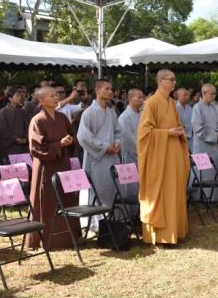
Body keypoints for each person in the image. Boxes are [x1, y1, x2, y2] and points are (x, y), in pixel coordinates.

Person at [137, 69, 190, 245]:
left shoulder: (171, 103)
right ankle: (161, 235)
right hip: (159, 157)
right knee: (162, 193)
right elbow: (144, 133)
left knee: (174, 191)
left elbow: (177, 124)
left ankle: (175, 231)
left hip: (173, 154)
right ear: (161, 81)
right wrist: (166, 133)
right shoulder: (151, 103)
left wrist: (179, 130)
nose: (175, 83)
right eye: (172, 79)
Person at [26, 86, 79, 250]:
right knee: (47, 201)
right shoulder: (38, 120)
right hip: (46, 167)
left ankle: (67, 237)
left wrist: (70, 141)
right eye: (51, 96)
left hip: (62, 163)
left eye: (56, 95)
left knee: (65, 198)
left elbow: (72, 135)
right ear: (41, 100)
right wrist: (58, 145)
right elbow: (36, 148)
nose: (56, 98)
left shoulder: (62, 117)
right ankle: (45, 238)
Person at [77, 79, 122, 230]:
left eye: (111, 89)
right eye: (107, 89)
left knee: (111, 187)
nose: (110, 92)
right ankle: (95, 225)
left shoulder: (111, 112)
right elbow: (83, 136)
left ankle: (111, 222)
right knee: (96, 189)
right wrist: (104, 147)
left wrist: (117, 143)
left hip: (111, 156)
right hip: (96, 158)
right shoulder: (89, 112)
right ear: (97, 90)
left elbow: (118, 131)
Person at [118, 88, 144, 214]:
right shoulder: (124, 117)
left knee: (142, 186)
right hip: (130, 155)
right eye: (138, 97)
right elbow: (128, 139)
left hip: (143, 154)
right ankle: (130, 214)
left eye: (142, 97)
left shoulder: (142, 115)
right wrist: (141, 150)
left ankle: (140, 213)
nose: (141, 100)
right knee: (131, 186)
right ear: (130, 98)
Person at [192, 83, 218, 173]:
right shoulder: (197, 107)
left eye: (215, 94)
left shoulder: (213, 107)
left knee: (215, 171)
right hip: (202, 145)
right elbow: (198, 128)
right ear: (204, 93)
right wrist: (214, 136)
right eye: (212, 94)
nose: (214, 96)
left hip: (214, 144)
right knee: (203, 173)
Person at [0, 86, 30, 158]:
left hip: (23, 146)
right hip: (9, 146)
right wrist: (15, 139)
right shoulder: (3, 111)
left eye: (20, 96)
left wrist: (25, 138)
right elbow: (2, 129)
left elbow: (28, 126)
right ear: (10, 98)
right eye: (17, 96)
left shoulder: (23, 112)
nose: (20, 98)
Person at [176, 88, 194, 153]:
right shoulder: (175, 108)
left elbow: (193, 121)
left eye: (188, 95)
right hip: (179, 137)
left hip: (190, 136)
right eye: (185, 95)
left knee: (195, 153)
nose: (187, 97)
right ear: (178, 96)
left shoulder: (189, 108)